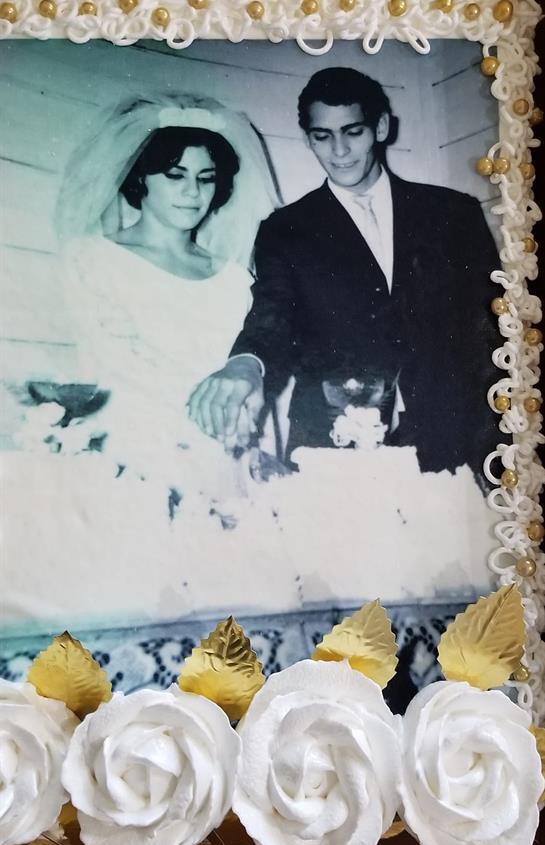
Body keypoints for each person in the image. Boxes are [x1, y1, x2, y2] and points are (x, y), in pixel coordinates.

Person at [188, 67, 501, 479]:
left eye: (352, 132)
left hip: (454, 444)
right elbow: (272, 315)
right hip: (331, 453)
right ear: (308, 138)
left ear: (381, 127)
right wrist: (245, 364)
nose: (339, 151)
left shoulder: (453, 213)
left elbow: (492, 335)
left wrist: (500, 442)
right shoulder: (285, 230)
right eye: (323, 136)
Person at [52, 94, 277, 515]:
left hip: (226, 463)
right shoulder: (92, 259)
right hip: (135, 459)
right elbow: (119, 360)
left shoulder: (235, 280)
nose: (193, 192)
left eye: (206, 178)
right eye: (175, 175)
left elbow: (254, 372)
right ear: (141, 178)